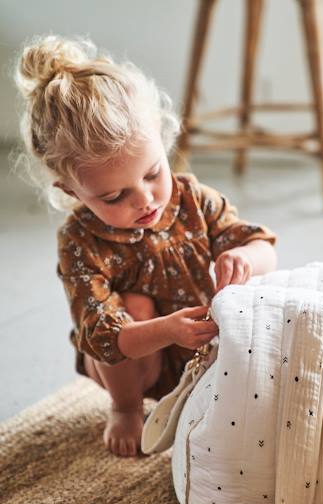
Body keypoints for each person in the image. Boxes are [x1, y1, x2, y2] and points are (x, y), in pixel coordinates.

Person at [14, 35, 277, 457]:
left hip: (204, 347)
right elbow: (102, 334)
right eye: (114, 197)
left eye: (154, 173)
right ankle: (127, 408)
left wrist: (242, 258)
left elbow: (262, 245)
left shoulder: (192, 197)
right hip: (134, 363)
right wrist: (167, 329)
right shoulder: (80, 241)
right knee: (133, 306)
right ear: (73, 191)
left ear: (162, 138)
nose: (145, 199)